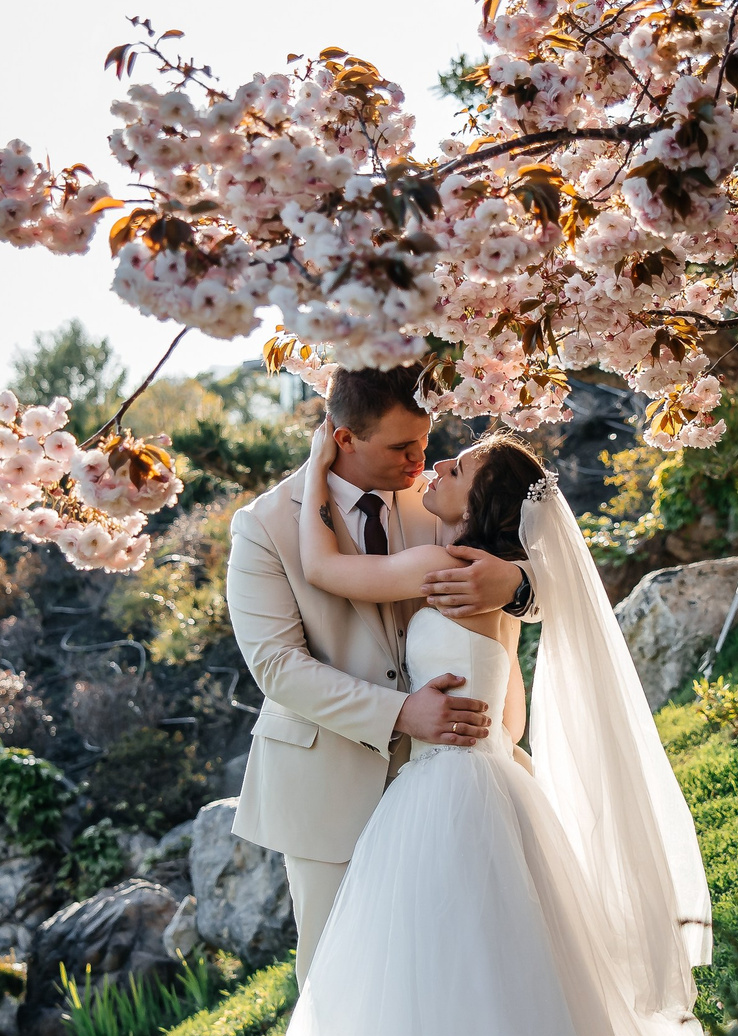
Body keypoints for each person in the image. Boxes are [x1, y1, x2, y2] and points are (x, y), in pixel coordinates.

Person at [210, 422, 715, 1036]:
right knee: (499, 1008)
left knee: (431, 1014)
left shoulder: (451, 566)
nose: (432, 464)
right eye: (429, 452)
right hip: (482, 783)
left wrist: (320, 465)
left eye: (453, 464)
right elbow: (508, 703)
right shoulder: (476, 571)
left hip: (442, 795)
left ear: (481, 506)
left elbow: (326, 568)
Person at [223, 366, 534, 977]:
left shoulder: (445, 499)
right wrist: (399, 712)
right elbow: (277, 665)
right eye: (400, 447)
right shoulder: (265, 526)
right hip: (327, 783)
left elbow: (541, 567)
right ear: (344, 439)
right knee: (341, 978)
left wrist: (517, 584)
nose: (420, 460)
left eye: (425, 441)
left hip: (454, 782)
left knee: (456, 965)